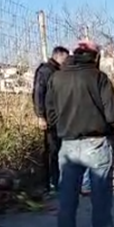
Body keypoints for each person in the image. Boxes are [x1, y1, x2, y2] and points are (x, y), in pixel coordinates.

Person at [45, 40, 114, 227]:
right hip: (96, 143)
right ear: (94, 56)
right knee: (100, 202)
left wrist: (66, 127)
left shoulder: (56, 78)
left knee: (66, 204)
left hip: (67, 146)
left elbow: (51, 115)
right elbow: (112, 114)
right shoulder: (98, 77)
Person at [33, 46, 69, 193]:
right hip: (50, 118)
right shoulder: (46, 71)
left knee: (60, 150)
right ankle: (50, 183)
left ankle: (59, 180)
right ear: (58, 56)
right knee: (51, 151)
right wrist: (41, 116)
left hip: (60, 117)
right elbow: (38, 94)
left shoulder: (58, 72)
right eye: (66, 58)